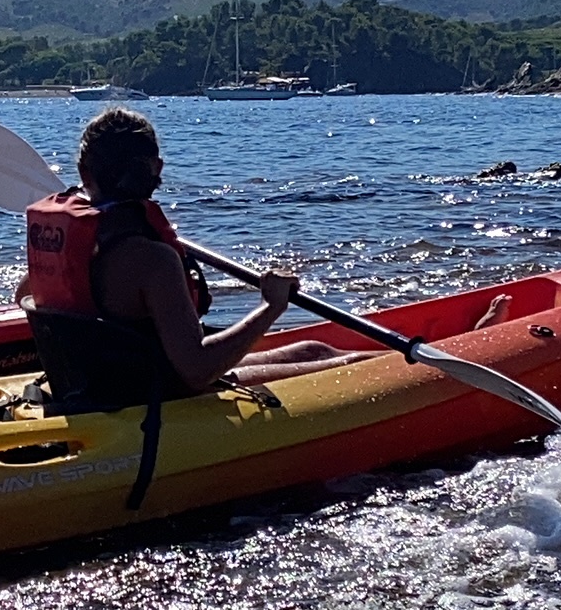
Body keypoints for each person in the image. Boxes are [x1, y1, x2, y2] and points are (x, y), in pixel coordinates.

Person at [23, 106, 346, 411]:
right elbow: (196, 370)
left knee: (313, 350)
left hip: (92, 387)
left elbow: (24, 294)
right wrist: (271, 307)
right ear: (157, 168)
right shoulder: (153, 259)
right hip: (152, 400)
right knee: (344, 364)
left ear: (84, 172)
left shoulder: (67, 244)